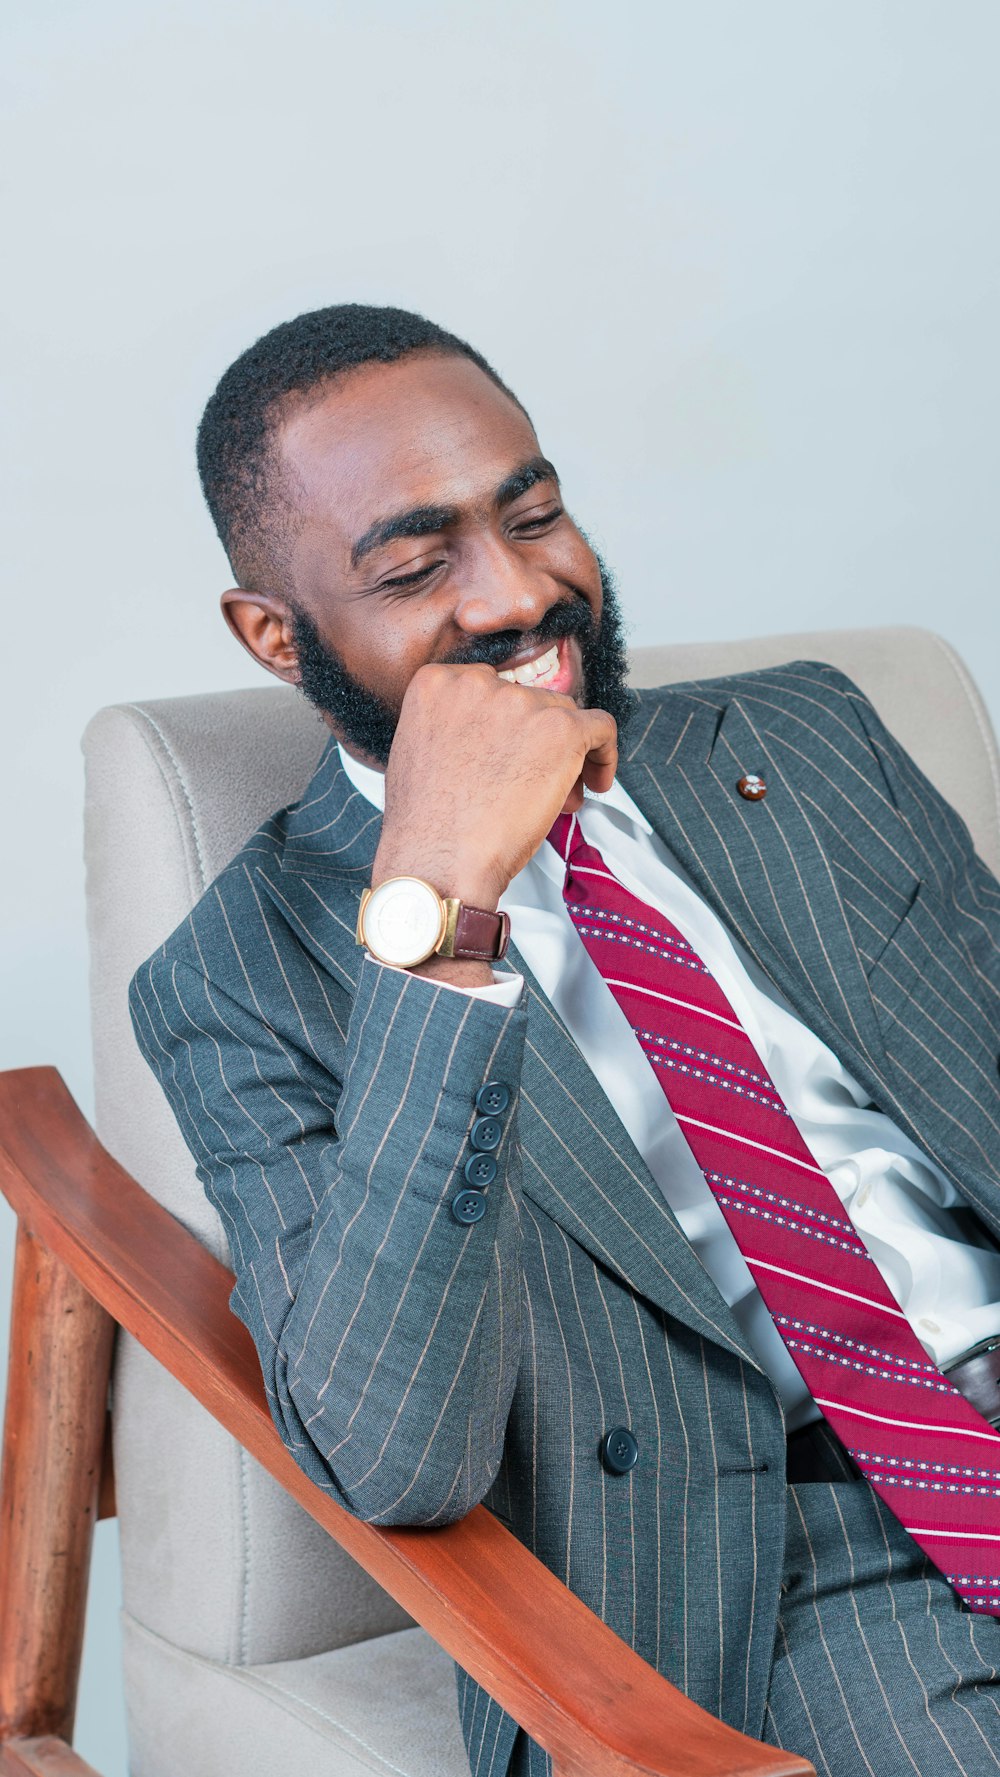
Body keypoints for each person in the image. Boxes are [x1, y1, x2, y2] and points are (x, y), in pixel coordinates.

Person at [129, 304, 1000, 1777]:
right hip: (791, 1552)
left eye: (535, 513)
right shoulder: (240, 971)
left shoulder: (801, 737)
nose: (521, 592)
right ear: (275, 633)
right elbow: (394, 1455)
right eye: (416, 566)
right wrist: (442, 899)